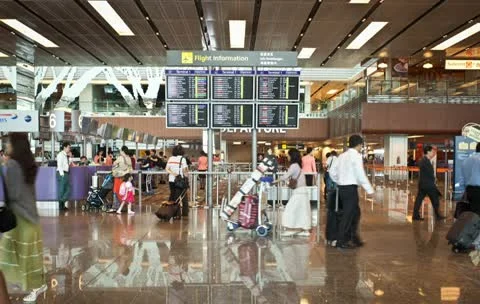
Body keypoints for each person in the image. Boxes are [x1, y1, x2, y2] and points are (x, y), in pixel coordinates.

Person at [0, 133, 47, 302]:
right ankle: (36, 285)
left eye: (9, 144)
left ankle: (36, 286)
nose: (7, 147)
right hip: (31, 218)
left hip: (18, 218)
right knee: (28, 257)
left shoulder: (12, 165)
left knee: (6, 256)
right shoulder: (28, 164)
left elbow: (14, 193)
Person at [329, 135, 374, 249]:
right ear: (359, 144)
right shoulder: (356, 156)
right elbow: (360, 174)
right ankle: (341, 241)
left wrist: (338, 180)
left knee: (355, 213)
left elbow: (332, 171)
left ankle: (354, 238)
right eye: (361, 145)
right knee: (348, 215)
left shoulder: (342, 156)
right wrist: (369, 189)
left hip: (343, 188)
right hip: (350, 189)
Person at [273, 148, 311, 236]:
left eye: (288, 155)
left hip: (299, 192)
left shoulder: (294, 166)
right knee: (303, 211)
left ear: (292, 156)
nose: (287, 156)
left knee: (290, 209)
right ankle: (305, 230)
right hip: (303, 191)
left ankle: (290, 229)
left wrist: (275, 181)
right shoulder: (298, 165)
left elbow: (285, 176)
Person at [412, 145, 446, 221]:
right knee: (435, 199)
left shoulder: (424, 160)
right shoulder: (425, 161)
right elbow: (429, 173)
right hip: (428, 184)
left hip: (423, 184)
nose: (433, 153)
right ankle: (438, 215)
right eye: (432, 151)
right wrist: (433, 180)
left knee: (419, 199)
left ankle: (415, 215)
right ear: (428, 152)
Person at [166, 145, 189, 217]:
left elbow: (167, 169)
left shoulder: (170, 158)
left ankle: (175, 212)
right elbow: (185, 171)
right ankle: (183, 213)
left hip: (171, 180)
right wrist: (186, 176)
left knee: (173, 196)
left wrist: (173, 174)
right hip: (180, 181)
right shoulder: (183, 159)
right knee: (182, 196)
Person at [459, 142, 480, 215]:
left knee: (472, 213)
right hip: (478, 189)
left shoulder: (466, 160)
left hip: (469, 190)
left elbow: (463, 178)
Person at [111, 146, 133, 212]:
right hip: (126, 178)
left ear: (123, 151)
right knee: (126, 192)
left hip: (119, 177)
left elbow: (114, 164)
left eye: (120, 150)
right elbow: (130, 168)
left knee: (117, 191)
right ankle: (124, 206)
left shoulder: (120, 158)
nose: (120, 151)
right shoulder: (129, 158)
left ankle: (116, 206)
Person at [57, 142, 71, 211]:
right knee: (62, 190)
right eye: (68, 147)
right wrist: (62, 175)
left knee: (67, 189)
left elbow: (68, 165)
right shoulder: (60, 155)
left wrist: (70, 157)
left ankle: (62, 202)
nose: (69, 149)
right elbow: (59, 166)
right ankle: (61, 206)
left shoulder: (66, 155)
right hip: (62, 173)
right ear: (64, 147)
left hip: (66, 173)